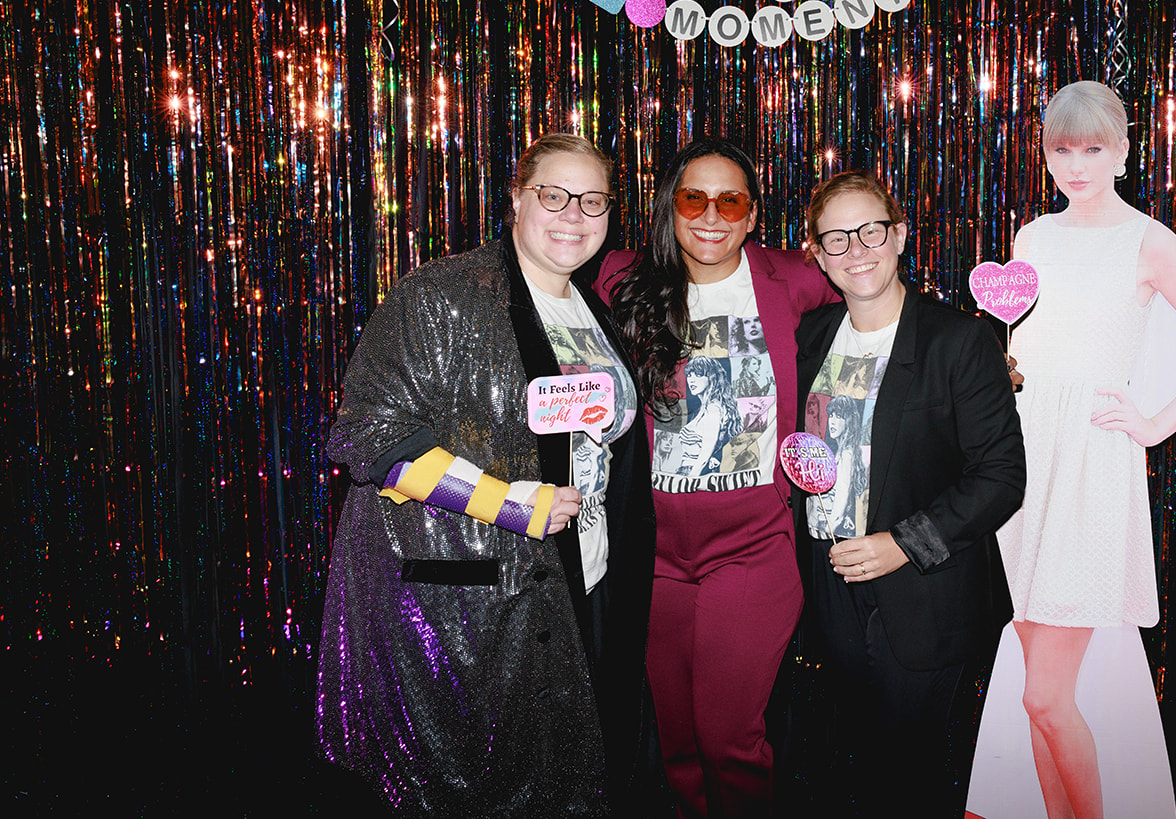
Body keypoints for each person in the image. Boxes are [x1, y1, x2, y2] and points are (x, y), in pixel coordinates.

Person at [316, 133, 655, 816]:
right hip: (474, 607)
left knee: (567, 779)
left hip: (579, 584)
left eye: (592, 200)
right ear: (515, 198)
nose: (573, 215)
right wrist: (506, 502)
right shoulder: (443, 295)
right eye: (553, 195)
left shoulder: (591, 308)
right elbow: (370, 439)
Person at [997, 81, 1176, 819]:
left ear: (1124, 152)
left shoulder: (1150, 241)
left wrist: (1154, 423)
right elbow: (1020, 348)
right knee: (1033, 698)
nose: (1077, 164)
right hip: (1023, 460)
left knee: (1046, 693)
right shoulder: (1033, 235)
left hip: (1091, 471)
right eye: (1062, 149)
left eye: (1093, 148)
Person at [598, 138, 837, 819]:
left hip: (754, 547)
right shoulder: (622, 278)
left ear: (753, 213)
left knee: (728, 736)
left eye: (729, 199)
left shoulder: (790, 276)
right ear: (670, 207)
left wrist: (976, 354)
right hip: (654, 553)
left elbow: (879, 286)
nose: (711, 214)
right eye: (692, 198)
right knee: (676, 744)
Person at [792, 170, 1026, 818]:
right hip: (830, 588)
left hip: (922, 593)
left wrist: (904, 543)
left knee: (911, 773)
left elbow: (1001, 476)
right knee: (858, 761)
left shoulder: (958, 339)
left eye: (870, 230)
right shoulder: (810, 336)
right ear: (817, 252)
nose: (856, 249)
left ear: (899, 235)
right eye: (835, 238)